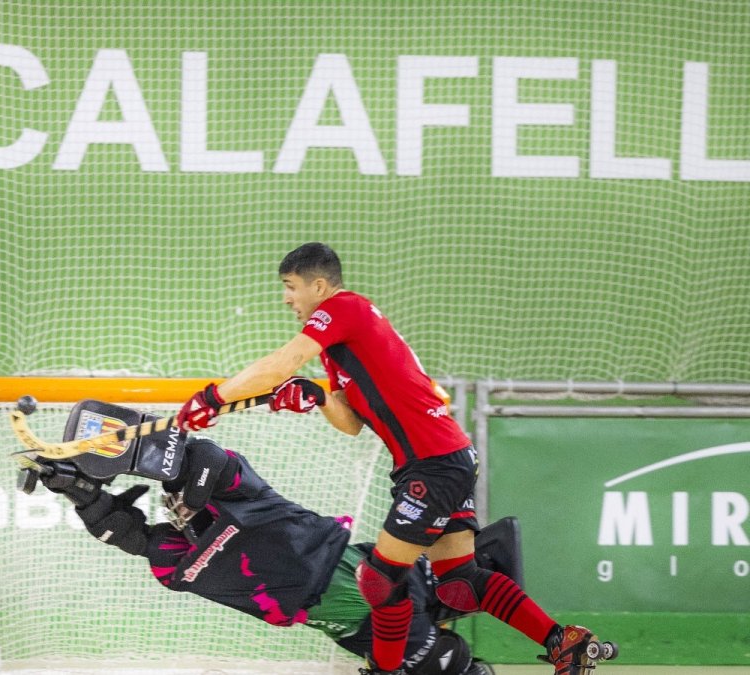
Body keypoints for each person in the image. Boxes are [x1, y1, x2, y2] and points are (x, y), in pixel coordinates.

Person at [176, 242, 609, 675]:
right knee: (459, 584)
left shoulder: (343, 308)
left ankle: (385, 671)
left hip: (434, 463)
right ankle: (563, 642)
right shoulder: (341, 344)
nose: (287, 298)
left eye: (291, 287)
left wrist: (213, 398)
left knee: (379, 579)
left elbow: (282, 362)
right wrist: (318, 395)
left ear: (319, 286)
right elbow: (351, 422)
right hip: (442, 459)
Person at [20, 400, 505, 675]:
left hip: (356, 586)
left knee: (455, 668)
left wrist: (121, 455)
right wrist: (80, 493)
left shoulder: (221, 489)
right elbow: (126, 534)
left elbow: (203, 460)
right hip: (353, 610)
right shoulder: (181, 556)